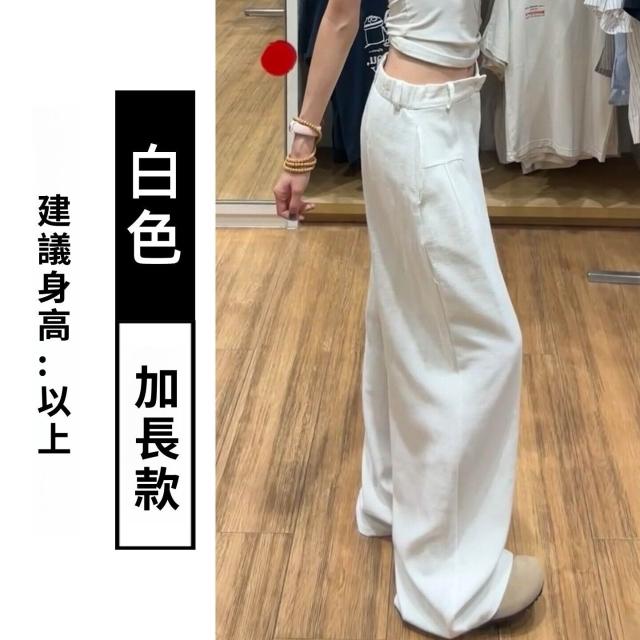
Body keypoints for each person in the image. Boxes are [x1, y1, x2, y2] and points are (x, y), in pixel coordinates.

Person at [272, 1, 544, 637]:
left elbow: (340, 17)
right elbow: (340, 17)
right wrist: (301, 148)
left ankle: (392, 498)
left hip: (415, 116)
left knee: (402, 314)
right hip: (423, 125)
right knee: (483, 344)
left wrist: (304, 144)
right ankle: (452, 586)